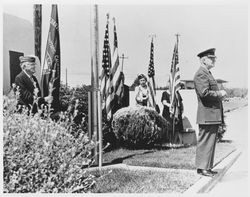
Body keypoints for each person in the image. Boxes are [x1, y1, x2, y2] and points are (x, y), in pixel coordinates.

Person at [193, 48, 227, 177]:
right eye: (211, 58)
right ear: (203, 60)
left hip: (211, 114)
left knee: (210, 142)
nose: (214, 60)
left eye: (214, 58)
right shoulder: (201, 74)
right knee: (206, 141)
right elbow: (204, 93)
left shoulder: (207, 73)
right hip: (207, 114)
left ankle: (206, 167)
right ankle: (202, 168)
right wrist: (220, 93)